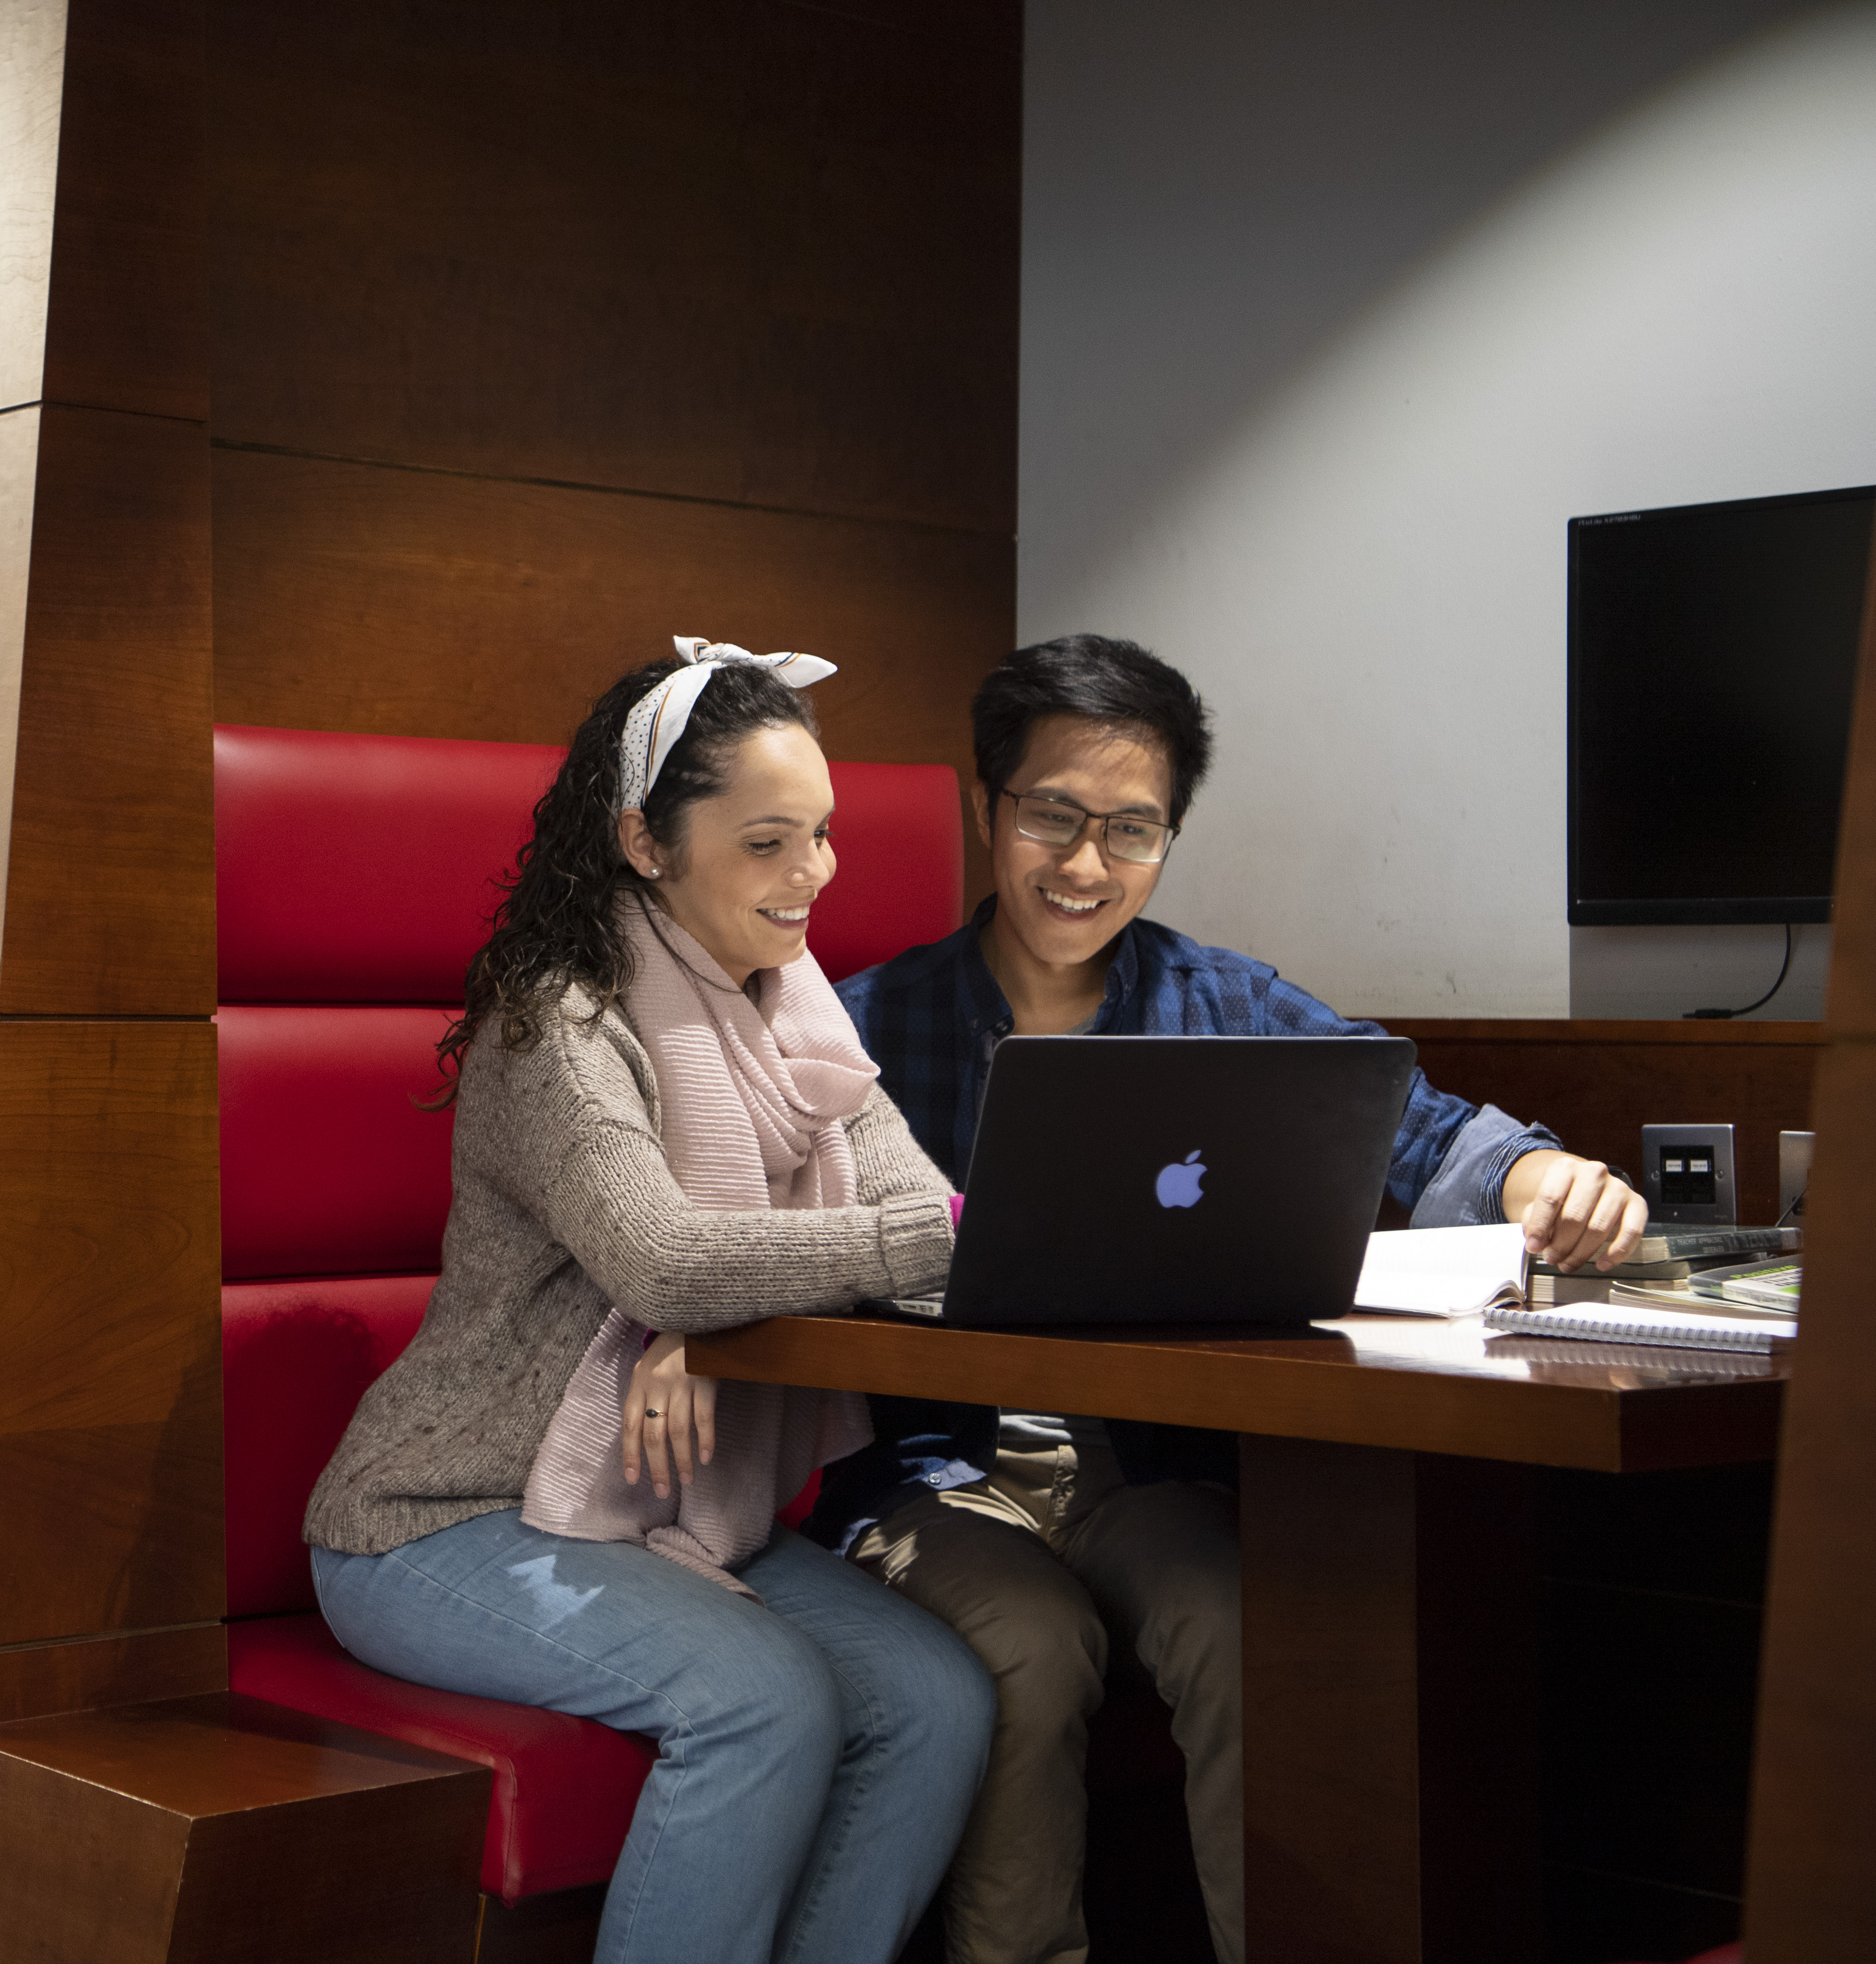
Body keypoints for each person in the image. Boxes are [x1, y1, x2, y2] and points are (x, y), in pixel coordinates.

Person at [806, 634, 1647, 1964]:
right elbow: (742, 1234)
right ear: (988, 805)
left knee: (1249, 1619)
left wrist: (1545, 1172)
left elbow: (1413, 1126)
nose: (1087, 866)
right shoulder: (858, 1029)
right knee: (1029, 1642)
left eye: (1132, 830)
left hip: (1156, 1472)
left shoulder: (1222, 1000)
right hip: (939, 1472)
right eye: (1053, 816)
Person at [303, 639, 996, 1964]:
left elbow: (920, 1242)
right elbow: (686, 1254)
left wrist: (717, 1316)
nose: (815, 876)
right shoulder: (553, 1021)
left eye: (826, 836)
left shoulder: (806, 1029)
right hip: (439, 1517)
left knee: (935, 1696)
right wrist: (711, 1300)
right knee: (765, 1699)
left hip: (657, 1508)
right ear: (644, 840)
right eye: (768, 841)